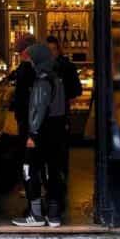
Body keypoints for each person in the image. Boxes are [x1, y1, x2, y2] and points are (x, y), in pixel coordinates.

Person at [12, 42, 67, 228]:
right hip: (56, 131)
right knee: (53, 171)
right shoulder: (57, 78)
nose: (30, 63)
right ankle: (54, 214)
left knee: (30, 169)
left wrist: (33, 134)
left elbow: (38, 109)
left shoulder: (42, 81)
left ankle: (35, 214)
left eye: (31, 59)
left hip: (42, 131)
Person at [45, 35, 82, 215]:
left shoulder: (66, 67)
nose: (51, 53)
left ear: (58, 50)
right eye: (48, 50)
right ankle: (54, 189)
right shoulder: (41, 67)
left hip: (59, 117)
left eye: (53, 49)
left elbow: (76, 91)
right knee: (53, 153)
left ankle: (57, 190)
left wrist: (64, 98)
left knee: (59, 152)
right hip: (49, 117)